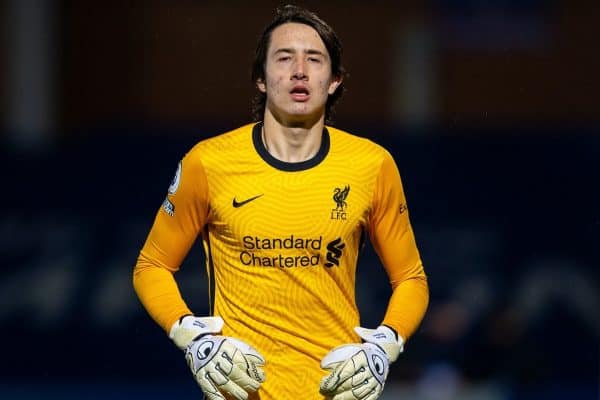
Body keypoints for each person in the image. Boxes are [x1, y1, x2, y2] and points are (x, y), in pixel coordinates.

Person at [133, 4, 429, 400]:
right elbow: (151, 266)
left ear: (335, 80)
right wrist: (191, 336)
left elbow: (411, 278)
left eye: (315, 59)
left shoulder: (372, 165)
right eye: (284, 57)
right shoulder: (208, 162)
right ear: (260, 78)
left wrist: (384, 346)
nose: (299, 71)